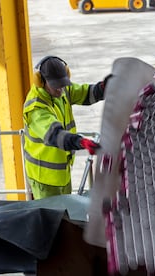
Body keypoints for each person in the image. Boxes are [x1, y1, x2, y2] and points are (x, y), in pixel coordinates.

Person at [23, 56, 110, 199]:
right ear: (41, 82)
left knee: (66, 214)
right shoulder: (36, 108)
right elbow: (54, 135)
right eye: (56, 86)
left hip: (62, 171)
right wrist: (80, 142)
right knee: (51, 219)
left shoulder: (62, 91)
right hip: (45, 179)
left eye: (62, 84)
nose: (60, 89)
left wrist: (102, 88)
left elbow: (84, 93)